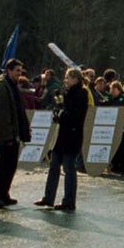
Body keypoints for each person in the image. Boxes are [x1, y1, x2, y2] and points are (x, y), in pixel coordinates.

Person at [36, 68, 90, 212]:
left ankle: (69, 201)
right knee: (54, 166)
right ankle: (48, 197)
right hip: (62, 135)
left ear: (75, 79)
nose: (65, 80)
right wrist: (57, 111)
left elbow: (76, 114)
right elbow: (63, 108)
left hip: (72, 135)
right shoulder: (66, 92)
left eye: (68, 77)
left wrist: (61, 115)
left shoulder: (81, 93)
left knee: (69, 169)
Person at [0, 59, 30, 207]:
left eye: (20, 70)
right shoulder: (1, 87)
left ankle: (4, 193)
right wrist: (8, 135)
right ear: (9, 70)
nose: (20, 73)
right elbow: (2, 113)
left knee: (10, 165)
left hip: (13, 132)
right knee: (5, 165)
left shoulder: (12, 86)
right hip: (7, 134)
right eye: (17, 70)